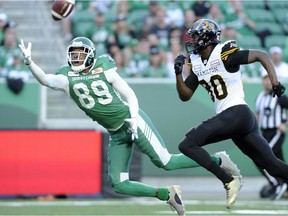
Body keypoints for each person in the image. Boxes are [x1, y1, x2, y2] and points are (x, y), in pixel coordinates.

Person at [19, 36, 241, 216]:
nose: (76, 58)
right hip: (116, 133)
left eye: (80, 54)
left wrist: (134, 118)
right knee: (119, 184)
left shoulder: (104, 67)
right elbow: (46, 80)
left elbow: (129, 94)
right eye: (73, 54)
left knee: (165, 162)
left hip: (132, 120)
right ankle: (167, 195)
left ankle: (219, 160)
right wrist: (30, 62)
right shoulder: (66, 77)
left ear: (90, 56)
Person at [173, 18, 288, 209]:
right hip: (239, 120)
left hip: (236, 112)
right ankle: (229, 179)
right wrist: (178, 74)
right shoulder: (198, 63)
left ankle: (228, 180)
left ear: (206, 37)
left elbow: (262, 55)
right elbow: (185, 95)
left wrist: (275, 82)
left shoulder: (224, 54)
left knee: (187, 144)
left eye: (195, 36)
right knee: (272, 165)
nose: (191, 40)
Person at [255, 71, 288, 200]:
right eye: (265, 78)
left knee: (261, 157)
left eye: (269, 78)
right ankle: (284, 184)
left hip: (276, 132)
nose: (267, 81)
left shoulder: (280, 97)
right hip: (264, 133)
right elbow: (258, 115)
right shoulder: (259, 97)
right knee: (279, 160)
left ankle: (277, 184)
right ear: (262, 81)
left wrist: (285, 122)